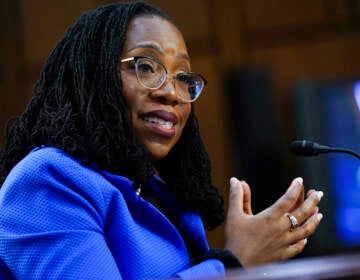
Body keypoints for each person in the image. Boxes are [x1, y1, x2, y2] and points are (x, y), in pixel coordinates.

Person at [0, 1, 323, 279]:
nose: (171, 93)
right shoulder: (46, 181)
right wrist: (233, 263)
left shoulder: (159, 191)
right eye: (145, 66)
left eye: (183, 77)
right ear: (92, 75)